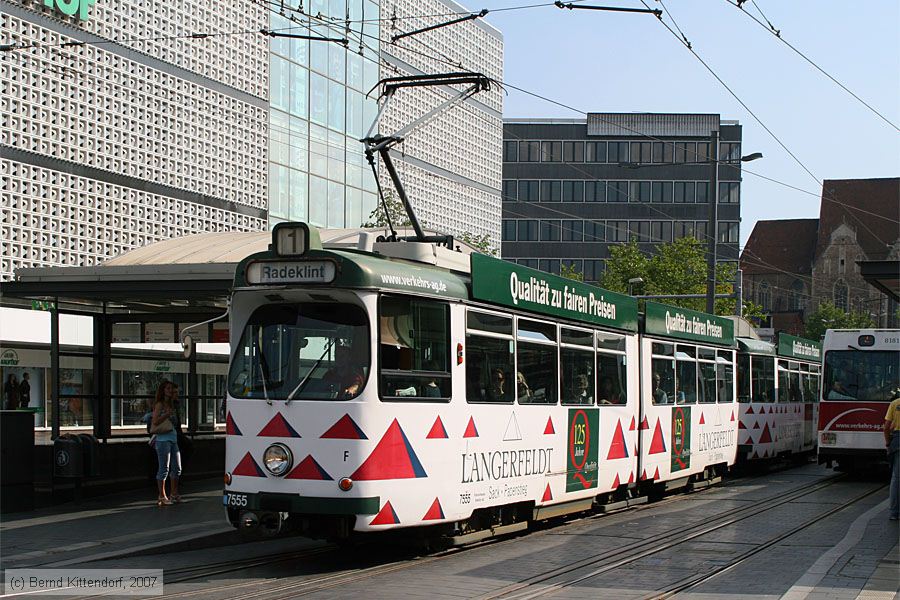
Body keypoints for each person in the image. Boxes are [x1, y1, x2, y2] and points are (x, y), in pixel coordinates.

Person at [151, 380, 181, 506]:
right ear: (163, 390)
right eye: (168, 389)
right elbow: (155, 421)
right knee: (164, 468)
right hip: (163, 439)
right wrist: (166, 415)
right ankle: (162, 496)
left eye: (171, 389)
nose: (170, 391)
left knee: (177, 468)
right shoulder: (160, 405)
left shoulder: (172, 404)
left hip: (173, 438)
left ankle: (174, 494)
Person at [884, 388, 900, 521]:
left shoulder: (894, 404)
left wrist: (888, 443)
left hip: (897, 440)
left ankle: (894, 512)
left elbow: (886, 427)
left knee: (896, 478)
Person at [172, 383, 193, 469]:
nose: (177, 394)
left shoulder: (176, 404)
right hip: (173, 434)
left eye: (177, 392)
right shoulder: (170, 405)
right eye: (175, 392)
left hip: (176, 434)